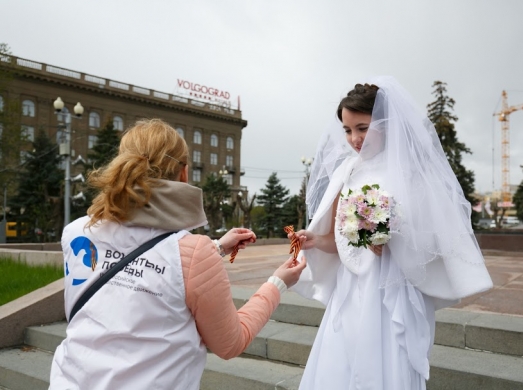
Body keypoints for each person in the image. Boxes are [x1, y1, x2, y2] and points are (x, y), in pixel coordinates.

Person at [49, 119, 306, 389]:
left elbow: (139, 270)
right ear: (183, 174)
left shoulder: (77, 231)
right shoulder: (192, 251)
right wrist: (278, 282)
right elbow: (230, 343)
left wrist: (215, 248)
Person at [289, 76, 493, 389]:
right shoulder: (348, 171)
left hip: (391, 288)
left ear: (385, 123)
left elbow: (432, 237)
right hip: (351, 289)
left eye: (362, 127)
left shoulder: (411, 173)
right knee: (344, 360)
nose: (354, 139)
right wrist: (316, 240)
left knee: (387, 363)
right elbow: (342, 241)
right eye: (347, 130)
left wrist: (389, 235)